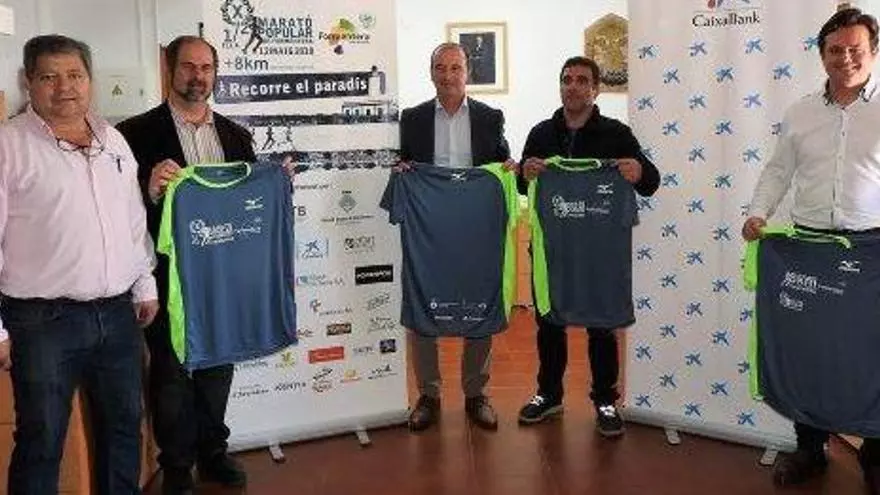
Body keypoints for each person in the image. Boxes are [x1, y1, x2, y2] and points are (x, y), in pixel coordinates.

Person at [0, 34, 159, 494]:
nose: (64, 87)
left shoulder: (114, 141)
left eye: (75, 75)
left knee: (124, 431)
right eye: (49, 77)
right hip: (42, 322)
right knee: (41, 440)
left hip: (118, 315)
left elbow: (132, 219)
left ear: (90, 80)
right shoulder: (9, 145)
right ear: (28, 82)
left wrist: (144, 283)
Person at [742, 8, 880, 493]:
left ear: (873, 51)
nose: (846, 59)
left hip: (872, 250)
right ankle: (810, 449)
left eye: (855, 50)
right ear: (822, 56)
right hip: (807, 249)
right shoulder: (800, 113)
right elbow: (778, 170)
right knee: (810, 351)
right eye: (835, 50)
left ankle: (875, 455)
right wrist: (758, 213)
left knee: (871, 354)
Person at [117, 35, 255, 495]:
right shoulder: (133, 134)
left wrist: (274, 187)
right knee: (171, 373)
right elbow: (118, 209)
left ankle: (213, 452)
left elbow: (249, 207)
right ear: (170, 70)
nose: (198, 76)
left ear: (216, 73)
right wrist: (148, 187)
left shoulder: (236, 137)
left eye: (206, 68)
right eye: (189, 67)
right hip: (165, 276)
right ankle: (176, 464)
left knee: (217, 368)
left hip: (223, 277)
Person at [516, 56, 659, 437]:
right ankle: (548, 394)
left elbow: (650, 182)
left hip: (598, 251)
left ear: (595, 89)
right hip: (552, 250)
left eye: (582, 80)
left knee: (601, 326)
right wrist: (524, 172)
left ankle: (605, 400)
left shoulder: (616, 133)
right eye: (567, 79)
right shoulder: (541, 133)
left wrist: (638, 171)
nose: (573, 86)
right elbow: (521, 186)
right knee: (549, 324)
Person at [398, 42, 512, 432]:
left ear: (468, 72)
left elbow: (500, 163)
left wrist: (508, 168)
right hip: (429, 229)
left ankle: (476, 394)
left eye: (455, 68)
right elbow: (403, 160)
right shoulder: (412, 118)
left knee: (479, 301)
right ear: (430, 73)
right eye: (440, 68)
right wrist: (402, 169)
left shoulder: (490, 117)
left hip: (475, 228)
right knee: (423, 301)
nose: (448, 76)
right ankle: (428, 395)